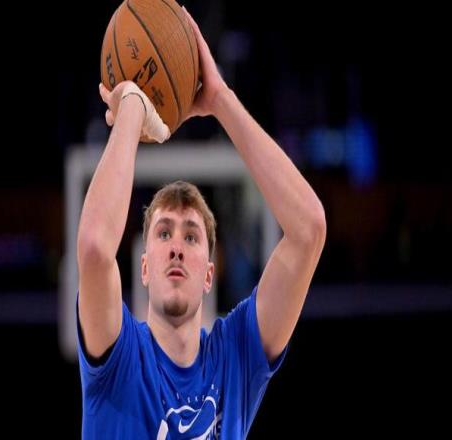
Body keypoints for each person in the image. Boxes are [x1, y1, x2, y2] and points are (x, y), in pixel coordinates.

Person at [76, 7, 326, 439]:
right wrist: (133, 104)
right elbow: (96, 248)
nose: (176, 245)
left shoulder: (235, 358)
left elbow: (309, 229)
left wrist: (221, 100)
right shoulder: (120, 356)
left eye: (191, 236)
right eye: (163, 233)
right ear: (144, 267)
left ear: (210, 273)